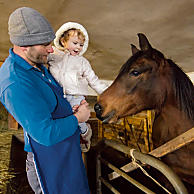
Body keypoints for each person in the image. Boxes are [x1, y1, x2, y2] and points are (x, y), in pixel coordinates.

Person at [0, 7, 91, 194]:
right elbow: (46, 133)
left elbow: (52, 102)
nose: (51, 49)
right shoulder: (15, 83)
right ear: (25, 46)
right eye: (45, 45)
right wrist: (78, 118)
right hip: (49, 163)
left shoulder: (36, 62)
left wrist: (71, 111)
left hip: (66, 152)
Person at [48, 22, 108, 151]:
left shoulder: (82, 62)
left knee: (78, 119)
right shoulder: (54, 56)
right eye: (75, 43)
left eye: (81, 45)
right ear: (63, 41)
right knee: (61, 120)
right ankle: (61, 144)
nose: (78, 47)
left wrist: (105, 93)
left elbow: (93, 80)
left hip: (76, 96)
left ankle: (85, 135)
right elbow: (40, 58)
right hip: (58, 95)